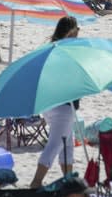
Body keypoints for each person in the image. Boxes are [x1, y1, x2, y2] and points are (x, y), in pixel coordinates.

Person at [30, 16, 80, 187]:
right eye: (77, 30)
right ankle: (36, 182)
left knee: (67, 147)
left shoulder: (51, 49)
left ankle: (69, 183)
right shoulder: (65, 53)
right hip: (63, 107)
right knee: (55, 146)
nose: (78, 33)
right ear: (70, 32)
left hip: (51, 105)